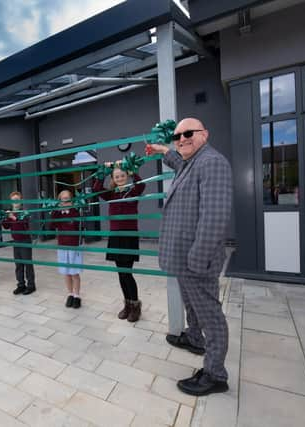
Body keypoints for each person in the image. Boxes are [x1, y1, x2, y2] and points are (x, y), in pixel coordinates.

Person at [146, 118, 232, 396]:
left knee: (211, 315)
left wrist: (198, 259)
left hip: (197, 257)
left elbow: (215, 217)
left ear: (204, 135)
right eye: (177, 135)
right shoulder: (192, 161)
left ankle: (216, 374)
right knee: (191, 304)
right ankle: (195, 338)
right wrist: (163, 151)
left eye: (188, 133)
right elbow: (179, 163)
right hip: (185, 256)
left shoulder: (212, 162)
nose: (181, 138)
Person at [92, 163, 146, 322]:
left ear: (126, 176)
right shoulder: (111, 194)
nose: (120, 178)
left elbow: (141, 185)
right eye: (116, 176)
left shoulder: (133, 191)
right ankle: (127, 304)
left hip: (129, 236)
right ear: (113, 179)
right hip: (115, 236)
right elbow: (96, 189)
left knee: (127, 272)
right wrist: (104, 172)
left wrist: (132, 171)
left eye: (122, 175)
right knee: (121, 273)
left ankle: (136, 305)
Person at [50, 190, 83, 309]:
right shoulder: (58, 214)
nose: (65, 201)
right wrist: (55, 211)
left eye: (67, 198)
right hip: (62, 245)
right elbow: (51, 226)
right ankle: (70, 293)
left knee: (74, 272)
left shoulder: (75, 212)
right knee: (66, 272)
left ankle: (77, 295)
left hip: (74, 245)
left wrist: (74, 209)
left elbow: (79, 225)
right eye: (62, 198)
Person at [2, 191, 36, 295]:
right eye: (13, 200)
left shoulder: (24, 212)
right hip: (16, 241)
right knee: (18, 264)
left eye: (17, 200)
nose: (15, 202)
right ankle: (21, 284)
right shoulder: (10, 213)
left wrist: (14, 218)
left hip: (25, 241)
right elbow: (6, 226)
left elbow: (25, 226)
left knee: (27, 264)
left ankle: (31, 286)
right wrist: (4, 218)